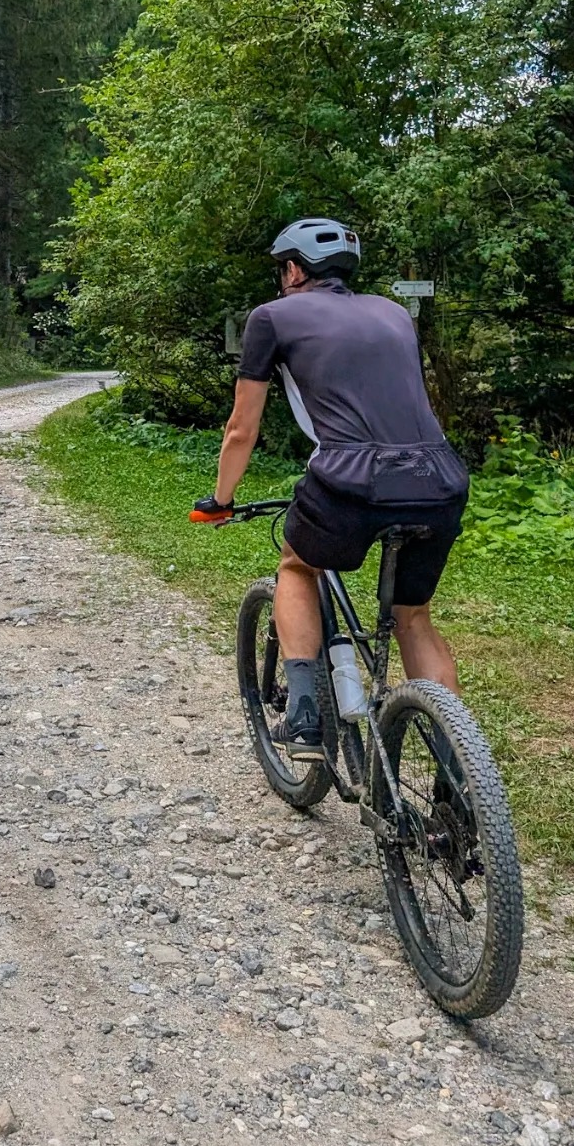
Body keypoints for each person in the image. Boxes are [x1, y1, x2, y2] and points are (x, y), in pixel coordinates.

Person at [192, 219, 470, 758]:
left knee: (298, 566)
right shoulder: (393, 314)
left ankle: (305, 719)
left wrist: (220, 500)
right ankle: (458, 770)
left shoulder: (272, 317)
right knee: (412, 617)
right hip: (439, 479)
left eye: (281, 268)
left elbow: (241, 429)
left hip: (350, 480)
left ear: (294, 269)